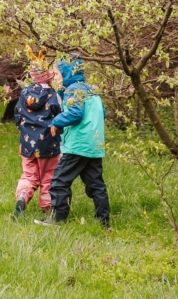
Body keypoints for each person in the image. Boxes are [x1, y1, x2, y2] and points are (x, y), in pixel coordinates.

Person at [35, 56, 111, 229]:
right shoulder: (91, 91)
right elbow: (103, 113)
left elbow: (76, 113)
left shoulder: (73, 90)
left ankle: (58, 219)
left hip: (77, 145)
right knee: (95, 184)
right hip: (94, 145)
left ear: (68, 73)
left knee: (59, 182)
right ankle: (104, 220)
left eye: (56, 73)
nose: (54, 77)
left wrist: (56, 121)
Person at [12, 55, 63, 219]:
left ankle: (22, 196)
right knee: (49, 175)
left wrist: (23, 130)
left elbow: (17, 115)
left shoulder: (24, 93)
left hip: (27, 144)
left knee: (29, 174)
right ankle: (47, 207)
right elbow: (60, 116)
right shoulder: (52, 95)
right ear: (48, 76)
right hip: (48, 144)